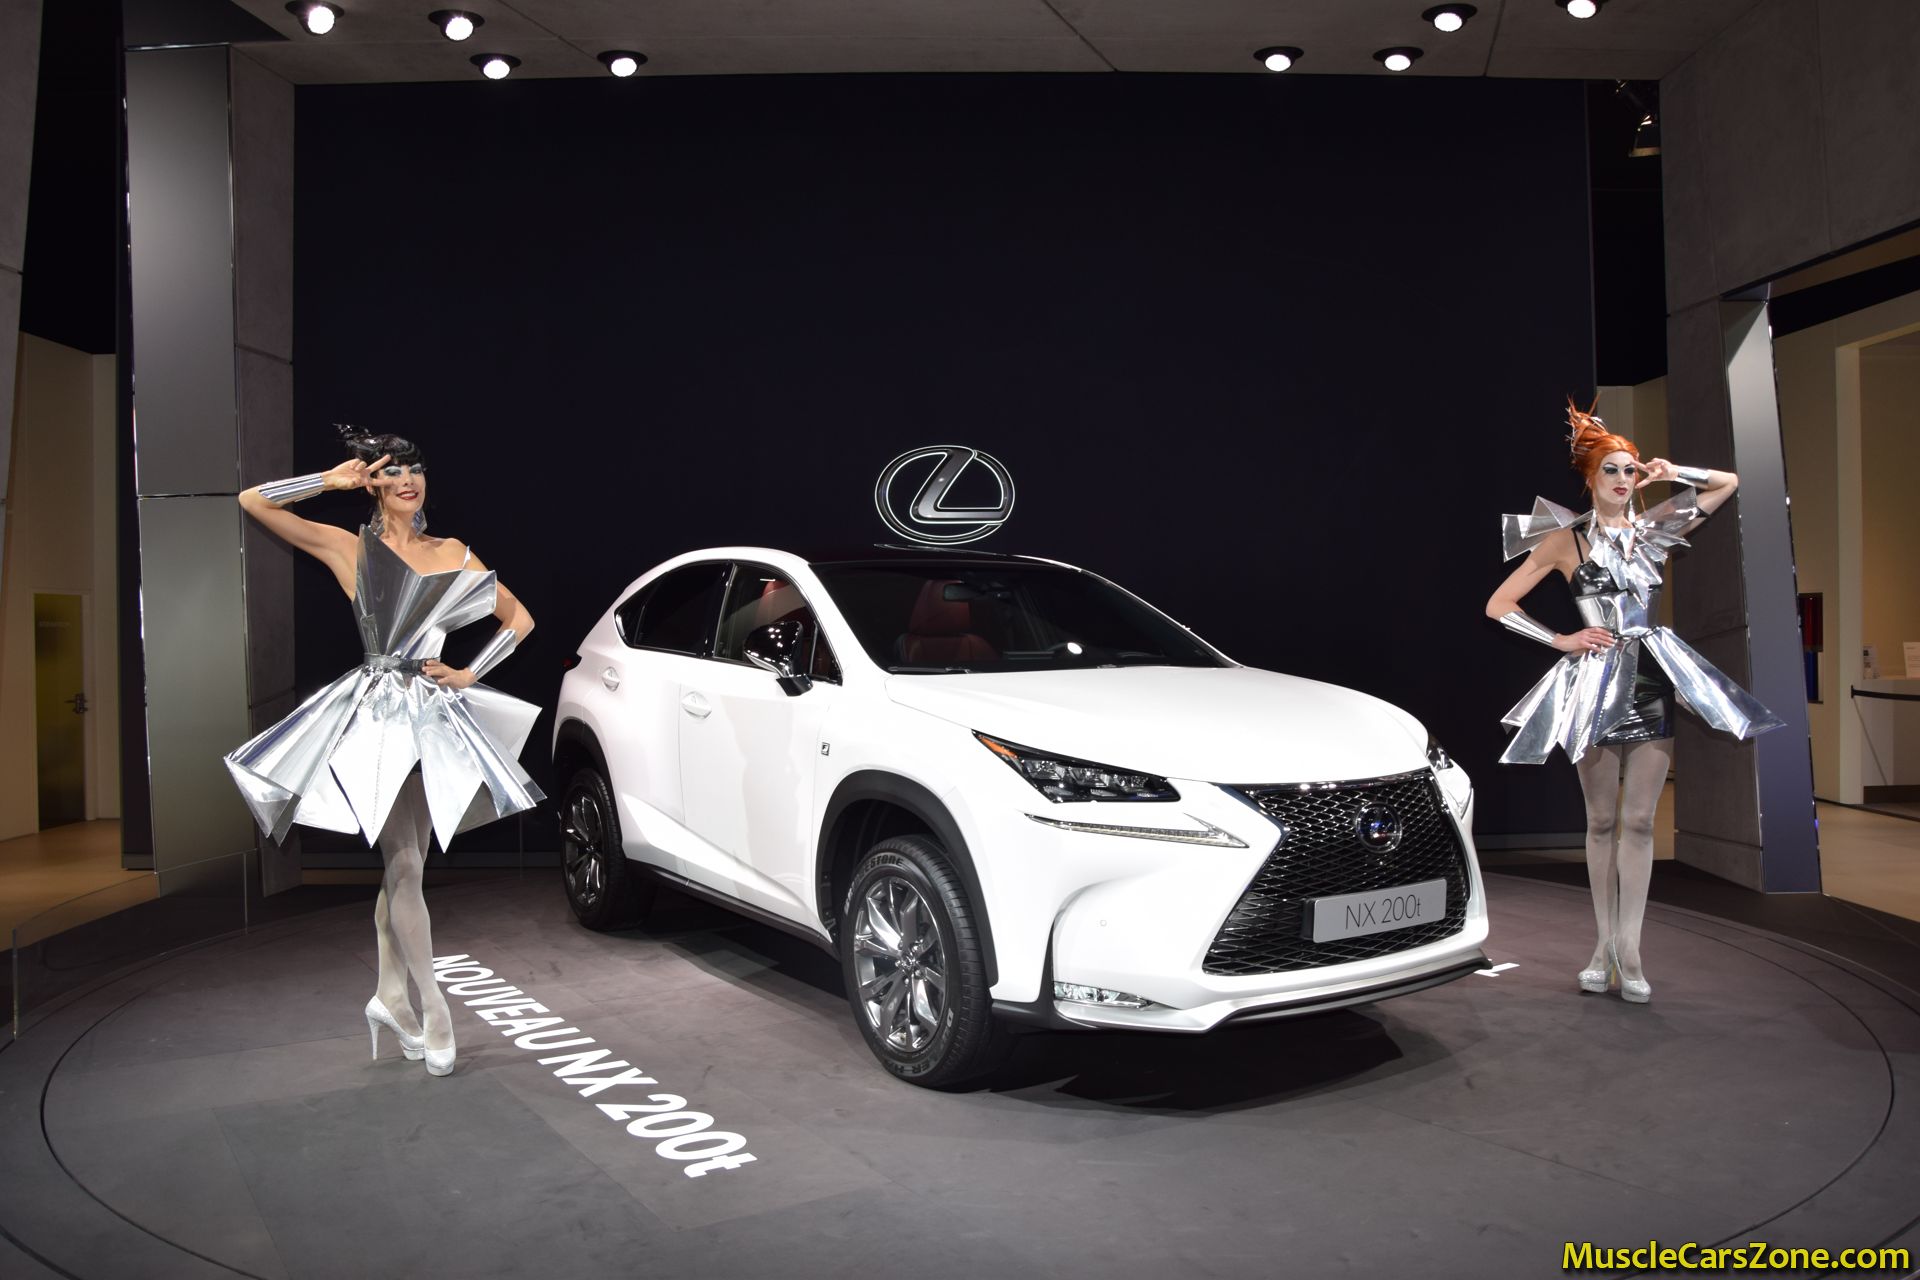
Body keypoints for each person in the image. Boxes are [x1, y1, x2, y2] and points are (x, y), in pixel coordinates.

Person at [225, 427, 542, 1074]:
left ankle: (388, 996)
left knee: (409, 867)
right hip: (378, 717)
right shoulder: (350, 549)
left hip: (435, 716)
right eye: (391, 471)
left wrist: (471, 672)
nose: (407, 480)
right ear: (371, 483)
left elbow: (520, 618)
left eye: (414, 469)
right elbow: (252, 501)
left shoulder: (453, 552)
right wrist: (326, 481)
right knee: (403, 864)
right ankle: (434, 1006)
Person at [1484, 398, 1783, 1004]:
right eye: (1611, 470)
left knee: (1642, 821)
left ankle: (1633, 950)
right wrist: (1560, 639)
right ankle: (1602, 948)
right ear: (1590, 478)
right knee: (1600, 821)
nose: (1623, 479)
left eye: (1629, 469)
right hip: (1593, 683)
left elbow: (1728, 483)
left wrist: (1673, 473)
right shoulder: (1565, 541)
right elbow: (1498, 604)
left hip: (1649, 678)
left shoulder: (1655, 528)